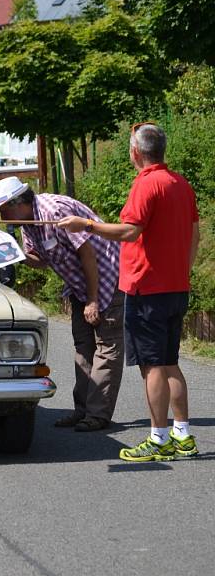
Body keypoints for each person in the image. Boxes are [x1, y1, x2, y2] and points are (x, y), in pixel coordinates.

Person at [58, 123, 200, 460]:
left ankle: (158, 438)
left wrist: (86, 225)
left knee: (151, 366)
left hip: (146, 288)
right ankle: (182, 434)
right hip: (175, 287)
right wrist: (183, 272)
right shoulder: (180, 183)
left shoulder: (146, 184)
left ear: (135, 152)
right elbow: (195, 234)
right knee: (169, 363)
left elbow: (129, 232)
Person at [0, 176, 123, 432]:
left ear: (18, 203)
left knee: (107, 347)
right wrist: (14, 254)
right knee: (83, 346)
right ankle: (83, 411)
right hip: (78, 285)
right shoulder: (28, 222)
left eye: (4, 210)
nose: (4, 217)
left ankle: (98, 415)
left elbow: (88, 253)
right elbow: (40, 260)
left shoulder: (54, 210)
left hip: (106, 278)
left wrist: (93, 299)